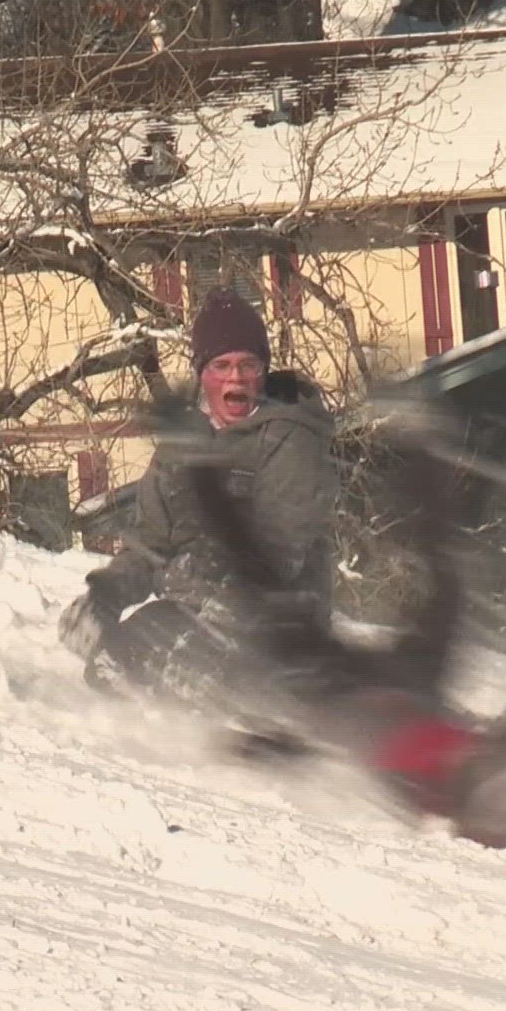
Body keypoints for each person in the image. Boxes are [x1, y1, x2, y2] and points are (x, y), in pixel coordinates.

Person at [58, 287, 339, 706]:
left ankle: (256, 740)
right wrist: (106, 596)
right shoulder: (181, 450)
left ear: (263, 371)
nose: (236, 378)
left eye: (249, 365)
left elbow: (280, 549)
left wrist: (205, 595)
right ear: (202, 374)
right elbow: (151, 542)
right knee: (113, 662)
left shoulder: (289, 438)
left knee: (189, 674)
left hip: (277, 622)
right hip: (196, 614)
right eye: (222, 365)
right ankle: (143, 751)